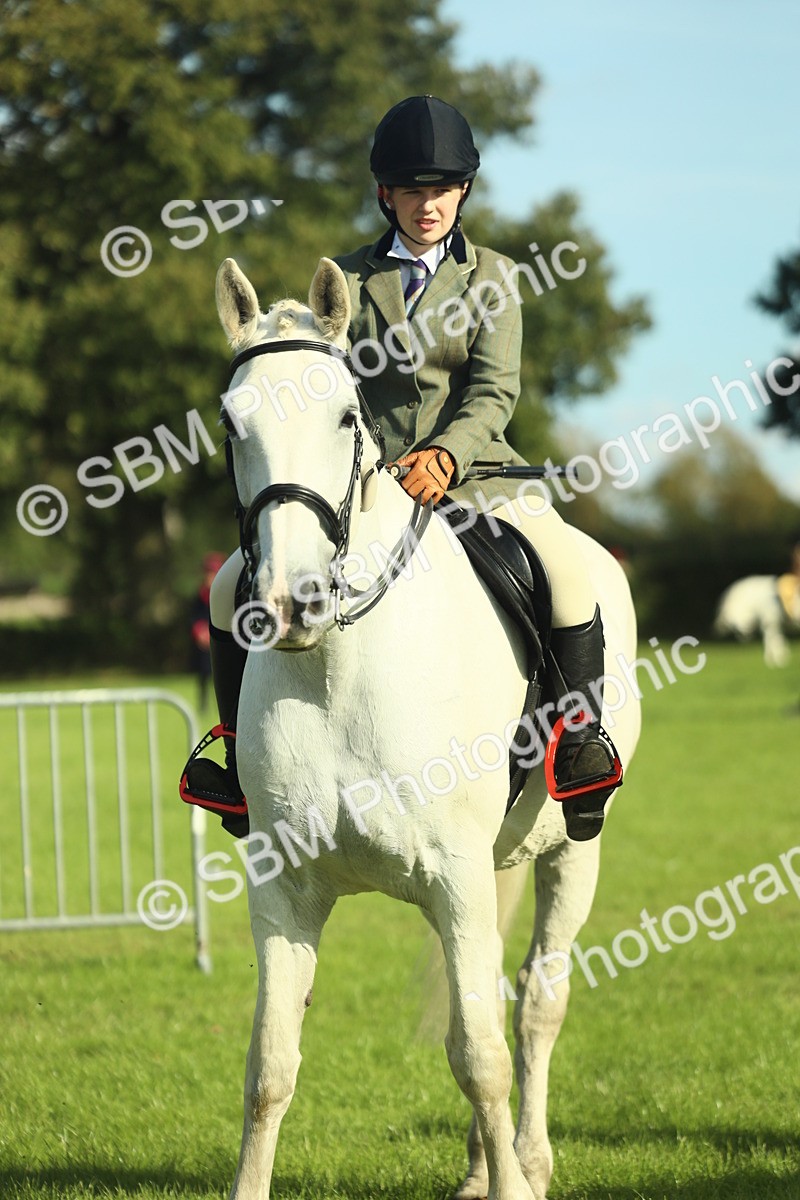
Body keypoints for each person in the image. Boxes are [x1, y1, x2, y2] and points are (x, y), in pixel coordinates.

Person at [182, 95, 621, 841]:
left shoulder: (495, 278)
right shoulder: (345, 280)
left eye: (443, 188)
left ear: (465, 191)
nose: (428, 204)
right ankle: (235, 756)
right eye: (414, 189)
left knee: (568, 569)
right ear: (385, 194)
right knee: (231, 587)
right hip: (374, 486)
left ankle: (579, 743)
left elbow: (494, 391)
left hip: (480, 475)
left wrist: (448, 452)